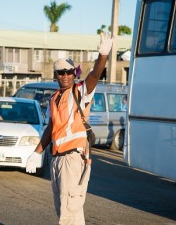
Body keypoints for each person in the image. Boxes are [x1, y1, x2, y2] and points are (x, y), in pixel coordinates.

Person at [26, 32, 113, 225]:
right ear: (55, 75)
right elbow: (51, 128)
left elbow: (95, 74)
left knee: (67, 212)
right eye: (61, 72)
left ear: (75, 73)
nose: (65, 75)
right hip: (57, 159)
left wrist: (103, 55)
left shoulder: (80, 91)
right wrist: (37, 152)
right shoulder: (54, 98)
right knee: (67, 210)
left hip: (73, 158)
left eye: (69, 72)